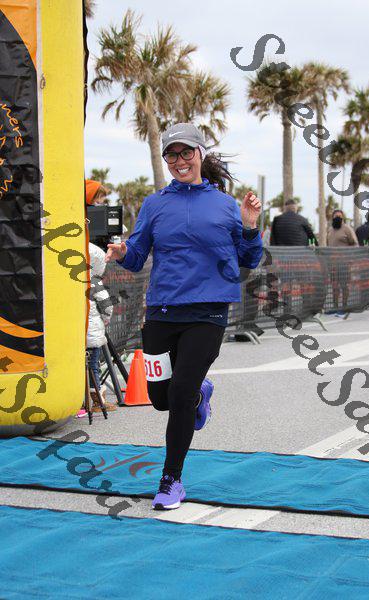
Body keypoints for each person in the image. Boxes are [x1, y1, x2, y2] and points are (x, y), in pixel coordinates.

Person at [106, 122, 263, 510]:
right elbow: (137, 256)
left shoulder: (225, 205)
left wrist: (249, 227)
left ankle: (171, 480)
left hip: (207, 312)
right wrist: (122, 252)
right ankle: (199, 393)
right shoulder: (154, 204)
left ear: (200, 154)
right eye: (171, 154)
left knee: (179, 394)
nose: (179, 161)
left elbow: (249, 259)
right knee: (161, 398)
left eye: (186, 152)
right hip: (162, 311)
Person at [80, 242, 116, 416]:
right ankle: (96, 401)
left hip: (75, 333)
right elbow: (107, 305)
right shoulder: (94, 281)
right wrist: (106, 319)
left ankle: (81, 399)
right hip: (92, 333)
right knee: (93, 366)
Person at [326, 210, 358, 318]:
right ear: (332, 218)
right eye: (336, 216)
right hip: (332, 264)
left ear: (343, 218)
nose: (338, 218)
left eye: (340, 216)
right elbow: (328, 245)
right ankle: (335, 307)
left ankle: (344, 307)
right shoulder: (330, 230)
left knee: (344, 285)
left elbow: (355, 244)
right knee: (334, 286)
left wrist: (350, 258)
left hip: (344, 263)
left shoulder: (347, 229)